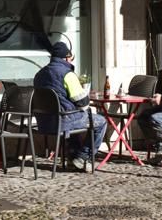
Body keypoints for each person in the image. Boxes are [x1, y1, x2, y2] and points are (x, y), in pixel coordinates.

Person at [33, 41, 107, 172]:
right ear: (67, 58)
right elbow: (82, 103)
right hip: (63, 122)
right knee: (100, 121)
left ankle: (72, 156)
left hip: (44, 122)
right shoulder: (67, 74)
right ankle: (83, 156)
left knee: (74, 117)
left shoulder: (39, 74)